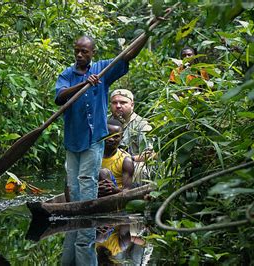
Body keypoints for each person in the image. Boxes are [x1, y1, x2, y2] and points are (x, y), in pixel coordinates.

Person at [57, 33, 150, 266]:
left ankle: (84, 216)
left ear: (92, 53)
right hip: (73, 138)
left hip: (94, 137)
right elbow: (59, 98)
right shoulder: (67, 75)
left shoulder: (102, 68)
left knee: (87, 177)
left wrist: (148, 33)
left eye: (84, 51)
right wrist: (84, 83)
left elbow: (127, 55)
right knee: (72, 179)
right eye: (77, 50)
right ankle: (76, 214)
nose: (80, 55)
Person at [110, 89, 155, 183]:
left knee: (139, 168)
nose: (118, 106)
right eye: (114, 103)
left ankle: (136, 195)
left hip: (132, 163)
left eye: (123, 102)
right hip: (107, 162)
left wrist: (129, 159)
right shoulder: (105, 122)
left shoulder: (142, 125)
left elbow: (152, 154)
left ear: (132, 105)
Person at [101, 118, 134, 191]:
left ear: (121, 139)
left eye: (116, 136)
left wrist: (114, 189)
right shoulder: (92, 155)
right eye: (108, 135)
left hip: (114, 196)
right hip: (93, 193)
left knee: (104, 173)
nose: (111, 139)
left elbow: (127, 191)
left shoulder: (126, 161)